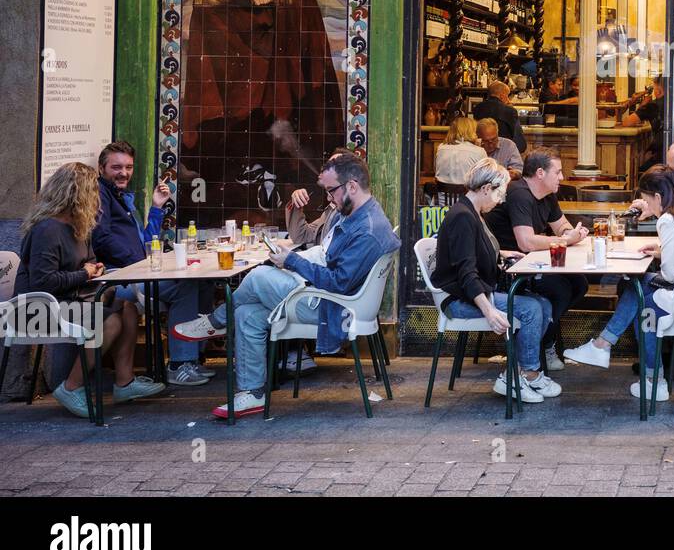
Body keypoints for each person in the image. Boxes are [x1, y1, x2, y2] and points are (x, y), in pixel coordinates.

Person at [173, 155, 399, 419]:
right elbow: (321, 252)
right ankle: (253, 393)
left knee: (257, 277)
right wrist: (294, 260)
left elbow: (337, 281)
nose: (328, 198)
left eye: (331, 191)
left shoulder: (366, 229)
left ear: (351, 186)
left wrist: (291, 260)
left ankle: (216, 320)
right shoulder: (356, 214)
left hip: (333, 308)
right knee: (247, 315)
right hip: (327, 298)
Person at [179, 0, 343, 218]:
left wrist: (274, 2)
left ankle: (277, 172)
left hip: (278, 34)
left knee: (279, 102)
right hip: (231, 38)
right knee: (235, 104)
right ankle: (243, 170)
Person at [564, 165, 674, 402]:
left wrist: (662, 255)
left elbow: (671, 275)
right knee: (639, 285)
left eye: (647, 200)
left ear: (657, 196)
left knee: (645, 307)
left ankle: (651, 381)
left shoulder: (669, 219)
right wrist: (661, 252)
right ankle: (604, 346)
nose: (649, 206)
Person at [15, 162, 165, 419]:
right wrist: (85, 273)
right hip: (37, 310)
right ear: (77, 195)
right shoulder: (47, 230)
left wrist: (96, 269)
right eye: (92, 193)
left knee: (127, 306)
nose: (97, 199)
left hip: (71, 300)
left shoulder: (78, 228)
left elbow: (88, 263)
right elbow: (42, 282)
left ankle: (124, 382)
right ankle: (71, 387)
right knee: (111, 321)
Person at [431, 158, 560, 403]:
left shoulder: (472, 212)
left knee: (543, 304)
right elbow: (466, 272)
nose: (501, 199)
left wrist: (501, 253)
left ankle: (517, 374)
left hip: (472, 292)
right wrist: (489, 311)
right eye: (499, 193)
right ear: (486, 189)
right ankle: (526, 375)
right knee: (533, 308)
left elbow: (469, 252)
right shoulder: (463, 217)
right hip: (459, 299)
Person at [91, 140, 215, 387]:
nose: (123, 172)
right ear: (102, 168)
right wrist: (139, 264)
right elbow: (101, 239)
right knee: (185, 286)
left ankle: (193, 357)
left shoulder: (122, 197)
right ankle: (179, 364)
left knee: (204, 282)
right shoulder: (100, 196)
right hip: (119, 278)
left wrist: (157, 208)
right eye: (116, 167)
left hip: (138, 272)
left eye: (128, 167)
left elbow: (148, 244)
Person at [483, 148, 589, 372]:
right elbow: (526, 242)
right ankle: (543, 345)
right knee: (559, 289)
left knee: (579, 283)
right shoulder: (519, 193)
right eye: (557, 172)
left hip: (531, 263)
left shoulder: (547, 195)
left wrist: (572, 233)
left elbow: (561, 226)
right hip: (506, 269)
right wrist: (564, 240)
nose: (561, 177)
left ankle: (542, 338)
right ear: (540, 173)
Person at [281, 147, 360, 368]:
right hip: (325, 285)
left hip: (332, 296)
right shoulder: (333, 209)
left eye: (334, 168)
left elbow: (333, 267)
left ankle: (292, 354)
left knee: (270, 285)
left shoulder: (351, 213)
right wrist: (295, 205)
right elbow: (302, 235)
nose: (326, 172)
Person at [622, 75, 666, 173]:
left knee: (641, 173)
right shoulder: (673, 103)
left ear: (658, 90)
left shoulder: (653, 105)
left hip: (660, 155)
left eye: (654, 88)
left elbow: (626, 122)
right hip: (671, 152)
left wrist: (643, 105)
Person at [473, 80, 526, 154]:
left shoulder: (477, 108)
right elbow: (520, 143)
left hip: (481, 151)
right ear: (502, 96)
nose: (508, 99)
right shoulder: (510, 111)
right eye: (507, 96)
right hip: (504, 152)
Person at [435, 116, 488, 185]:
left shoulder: (441, 148)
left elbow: (436, 172)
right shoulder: (479, 151)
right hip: (468, 195)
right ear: (472, 131)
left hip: (442, 195)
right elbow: (485, 177)